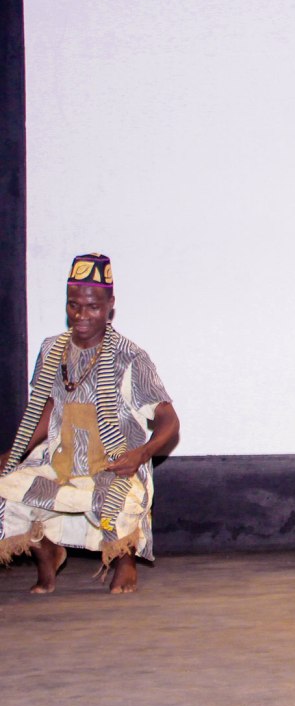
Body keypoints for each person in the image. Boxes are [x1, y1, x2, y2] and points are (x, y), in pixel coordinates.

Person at [0, 253, 179, 593]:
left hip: (113, 466)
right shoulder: (52, 349)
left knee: (117, 501)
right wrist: (15, 453)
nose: (81, 316)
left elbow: (170, 420)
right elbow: (49, 408)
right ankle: (47, 553)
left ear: (110, 305)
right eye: (74, 306)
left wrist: (141, 454)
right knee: (5, 491)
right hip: (58, 461)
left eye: (93, 307)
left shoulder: (130, 356)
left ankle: (124, 562)